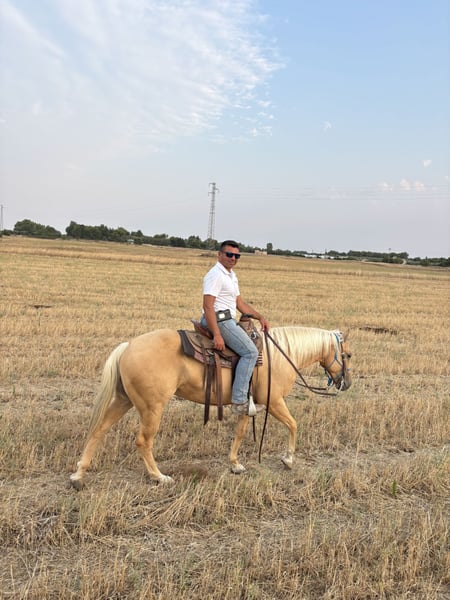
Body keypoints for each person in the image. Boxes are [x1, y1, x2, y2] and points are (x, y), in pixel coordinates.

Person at [201, 240, 270, 415]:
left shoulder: (231, 275)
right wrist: (217, 334)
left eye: (236, 256)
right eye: (229, 254)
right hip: (220, 320)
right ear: (219, 254)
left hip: (227, 319)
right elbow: (208, 306)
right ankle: (239, 402)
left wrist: (259, 316)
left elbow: (239, 303)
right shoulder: (216, 275)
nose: (233, 258)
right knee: (250, 352)